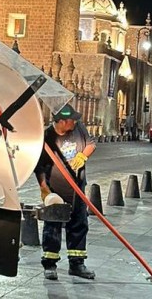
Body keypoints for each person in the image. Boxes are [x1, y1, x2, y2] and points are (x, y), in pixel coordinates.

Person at [35, 103, 97, 281]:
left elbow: (91, 144)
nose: (75, 122)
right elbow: (39, 167)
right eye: (72, 120)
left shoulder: (79, 128)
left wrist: (83, 155)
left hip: (77, 189)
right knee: (52, 227)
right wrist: (44, 189)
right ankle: (49, 265)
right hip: (56, 190)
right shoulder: (46, 137)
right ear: (61, 121)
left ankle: (77, 264)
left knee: (79, 224)